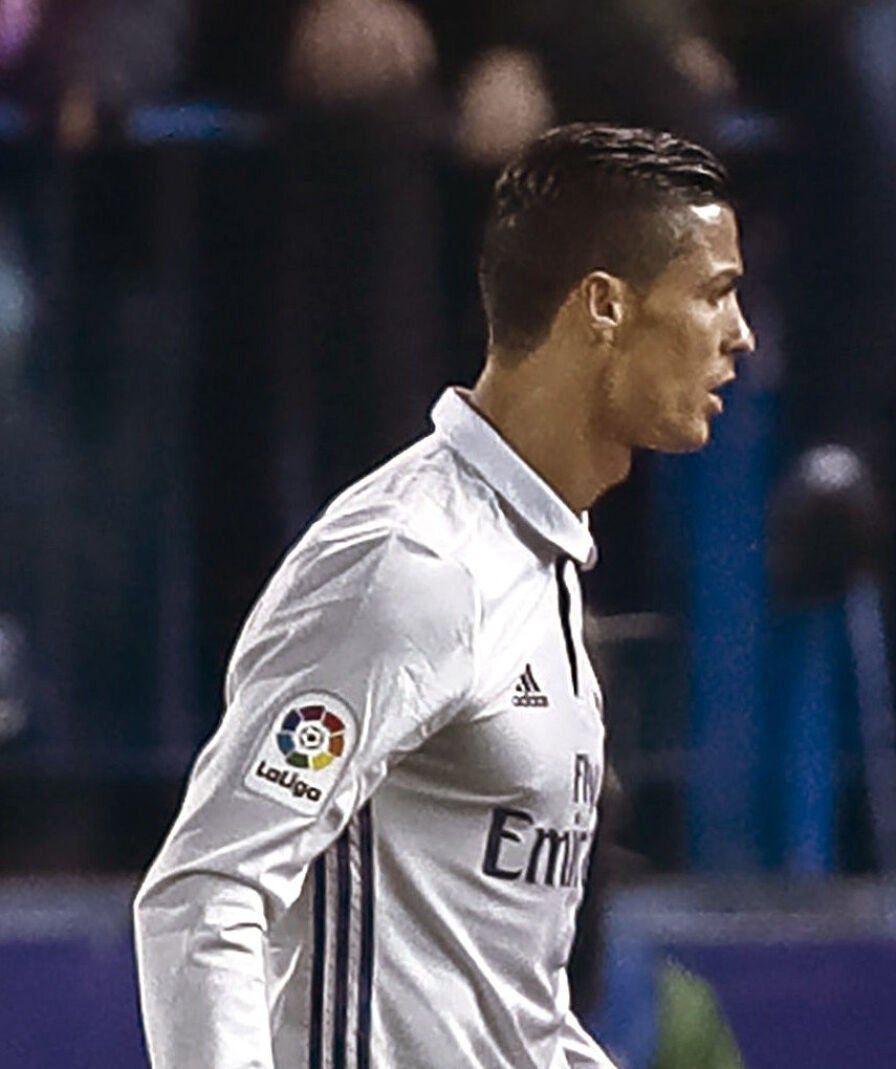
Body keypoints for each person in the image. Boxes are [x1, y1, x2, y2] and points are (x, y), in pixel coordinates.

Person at [133, 123, 755, 1068]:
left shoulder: (537, 560)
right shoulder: (411, 562)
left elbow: (502, 1007)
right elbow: (207, 887)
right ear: (604, 308)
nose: (739, 333)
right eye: (715, 293)